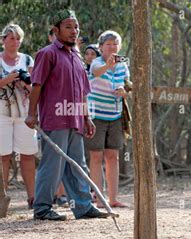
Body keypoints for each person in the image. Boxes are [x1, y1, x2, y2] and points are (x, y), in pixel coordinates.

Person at [24, 9, 109, 221]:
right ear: (56, 30)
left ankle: (83, 207)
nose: (74, 31)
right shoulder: (48, 53)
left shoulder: (77, 57)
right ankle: (42, 209)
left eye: (76, 27)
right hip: (55, 118)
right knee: (53, 165)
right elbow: (37, 85)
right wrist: (31, 114)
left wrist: (87, 117)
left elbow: (82, 91)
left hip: (75, 118)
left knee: (78, 165)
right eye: (68, 27)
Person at [85, 30, 129, 208]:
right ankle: (99, 198)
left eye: (115, 44)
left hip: (116, 114)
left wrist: (124, 91)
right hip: (97, 115)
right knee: (96, 156)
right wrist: (107, 66)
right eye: (108, 44)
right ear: (101, 47)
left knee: (113, 156)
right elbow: (95, 73)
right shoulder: (96, 62)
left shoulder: (123, 64)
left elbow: (127, 84)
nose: (112, 47)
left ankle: (113, 198)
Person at [0, 23, 37, 209]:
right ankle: (2, 198)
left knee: (28, 154)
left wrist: (25, 85)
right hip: (2, 115)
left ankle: (33, 198)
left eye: (18, 38)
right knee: (3, 156)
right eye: (11, 38)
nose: (15, 42)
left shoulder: (28, 60)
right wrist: (6, 81)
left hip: (24, 114)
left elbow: (36, 87)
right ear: (3, 40)